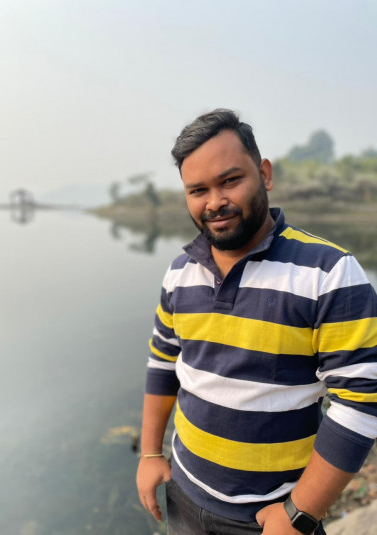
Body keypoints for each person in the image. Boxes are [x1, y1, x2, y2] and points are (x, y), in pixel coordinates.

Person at [136, 109, 377, 535]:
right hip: (185, 496)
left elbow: (361, 401)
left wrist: (299, 513)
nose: (214, 202)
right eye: (198, 190)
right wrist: (151, 453)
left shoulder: (330, 273)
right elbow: (162, 362)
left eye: (230, 180)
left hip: (271, 517)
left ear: (264, 174)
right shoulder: (180, 272)